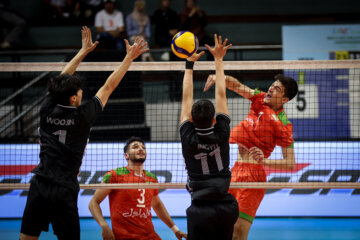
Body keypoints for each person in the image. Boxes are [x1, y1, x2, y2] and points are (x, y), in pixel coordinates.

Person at [20, 26, 149, 240]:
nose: (82, 92)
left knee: (26, 238)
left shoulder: (45, 109)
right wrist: (129, 59)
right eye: (79, 91)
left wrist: (82, 52)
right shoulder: (83, 117)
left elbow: (60, 80)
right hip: (64, 188)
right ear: (73, 98)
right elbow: (108, 87)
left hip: (40, 184)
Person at [203, 73, 298, 240]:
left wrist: (264, 160)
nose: (270, 89)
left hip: (254, 177)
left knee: (239, 233)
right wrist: (220, 76)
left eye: (277, 89)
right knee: (223, 228)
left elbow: (290, 163)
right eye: (272, 85)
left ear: (284, 99)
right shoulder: (260, 99)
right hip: (234, 171)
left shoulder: (284, 125)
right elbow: (237, 86)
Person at [179, 34, 239, 240]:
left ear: (191, 121)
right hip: (226, 207)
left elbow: (186, 98)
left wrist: (189, 65)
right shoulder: (222, 133)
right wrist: (219, 60)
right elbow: (221, 95)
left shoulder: (188, 138)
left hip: (200, 211)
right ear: (214, 119)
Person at [89, 136, 188, 240]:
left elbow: (157, 204)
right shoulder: (114, 175)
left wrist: (175, 229)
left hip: (150, 236)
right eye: (135, 147)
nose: (141, 149)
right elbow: (93, 203)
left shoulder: (152, 178)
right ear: (126, 155)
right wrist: (104, 226)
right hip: (124, 237)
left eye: (143, 147)